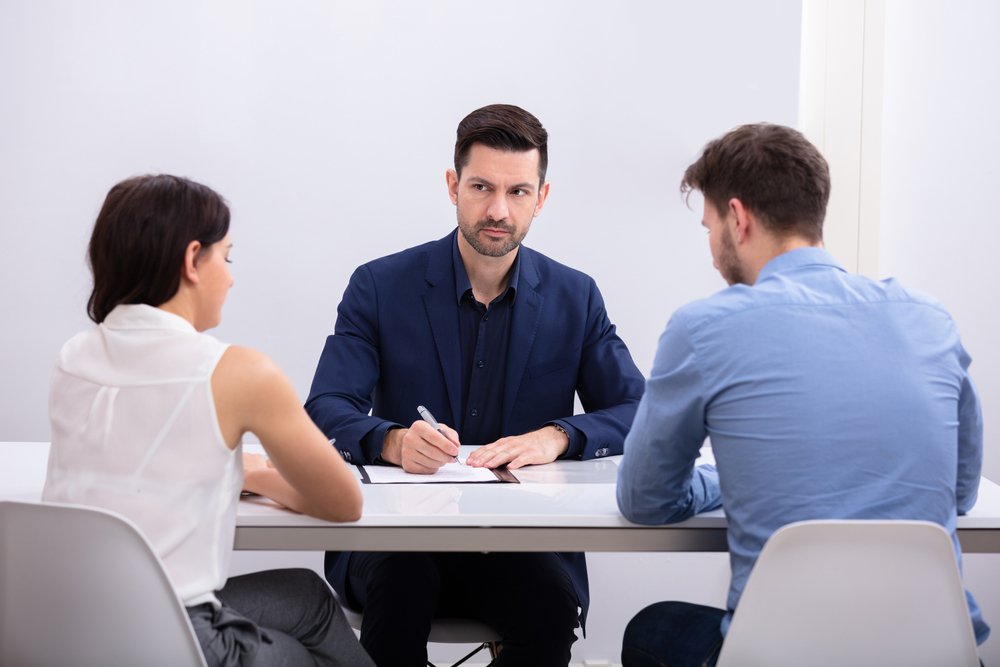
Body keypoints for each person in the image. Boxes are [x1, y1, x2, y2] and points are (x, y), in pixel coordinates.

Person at [616, 123, 990, 666]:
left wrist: (727, 482)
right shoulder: (929, 320)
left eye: (709, 226)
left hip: (777, 654)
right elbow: (958, 494)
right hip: (937, 654)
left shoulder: (704, 328)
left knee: (650, 630)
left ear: (737, 219)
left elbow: (644, 500)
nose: (712, 249)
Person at [305, 103, 645, 666]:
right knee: (403, 584)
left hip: (520, 541)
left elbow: (640, 409)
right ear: (452, 185)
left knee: (548, 607)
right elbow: (325, 406)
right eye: (481, 187)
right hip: (398, 539)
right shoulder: (379, 285)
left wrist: (557, 436)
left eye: (517, 192)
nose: (497, 209)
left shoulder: (575, 296)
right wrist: (390, 441)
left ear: (542, 197)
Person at [43, 175, 375, 667]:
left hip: (62, 625)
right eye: (227, 256)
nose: (232, 276)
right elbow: (344, 503)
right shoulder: (236, 371)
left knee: (307, 597)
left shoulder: (72, 358)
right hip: (173, 638)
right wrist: (256, 473)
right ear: (191, 260)